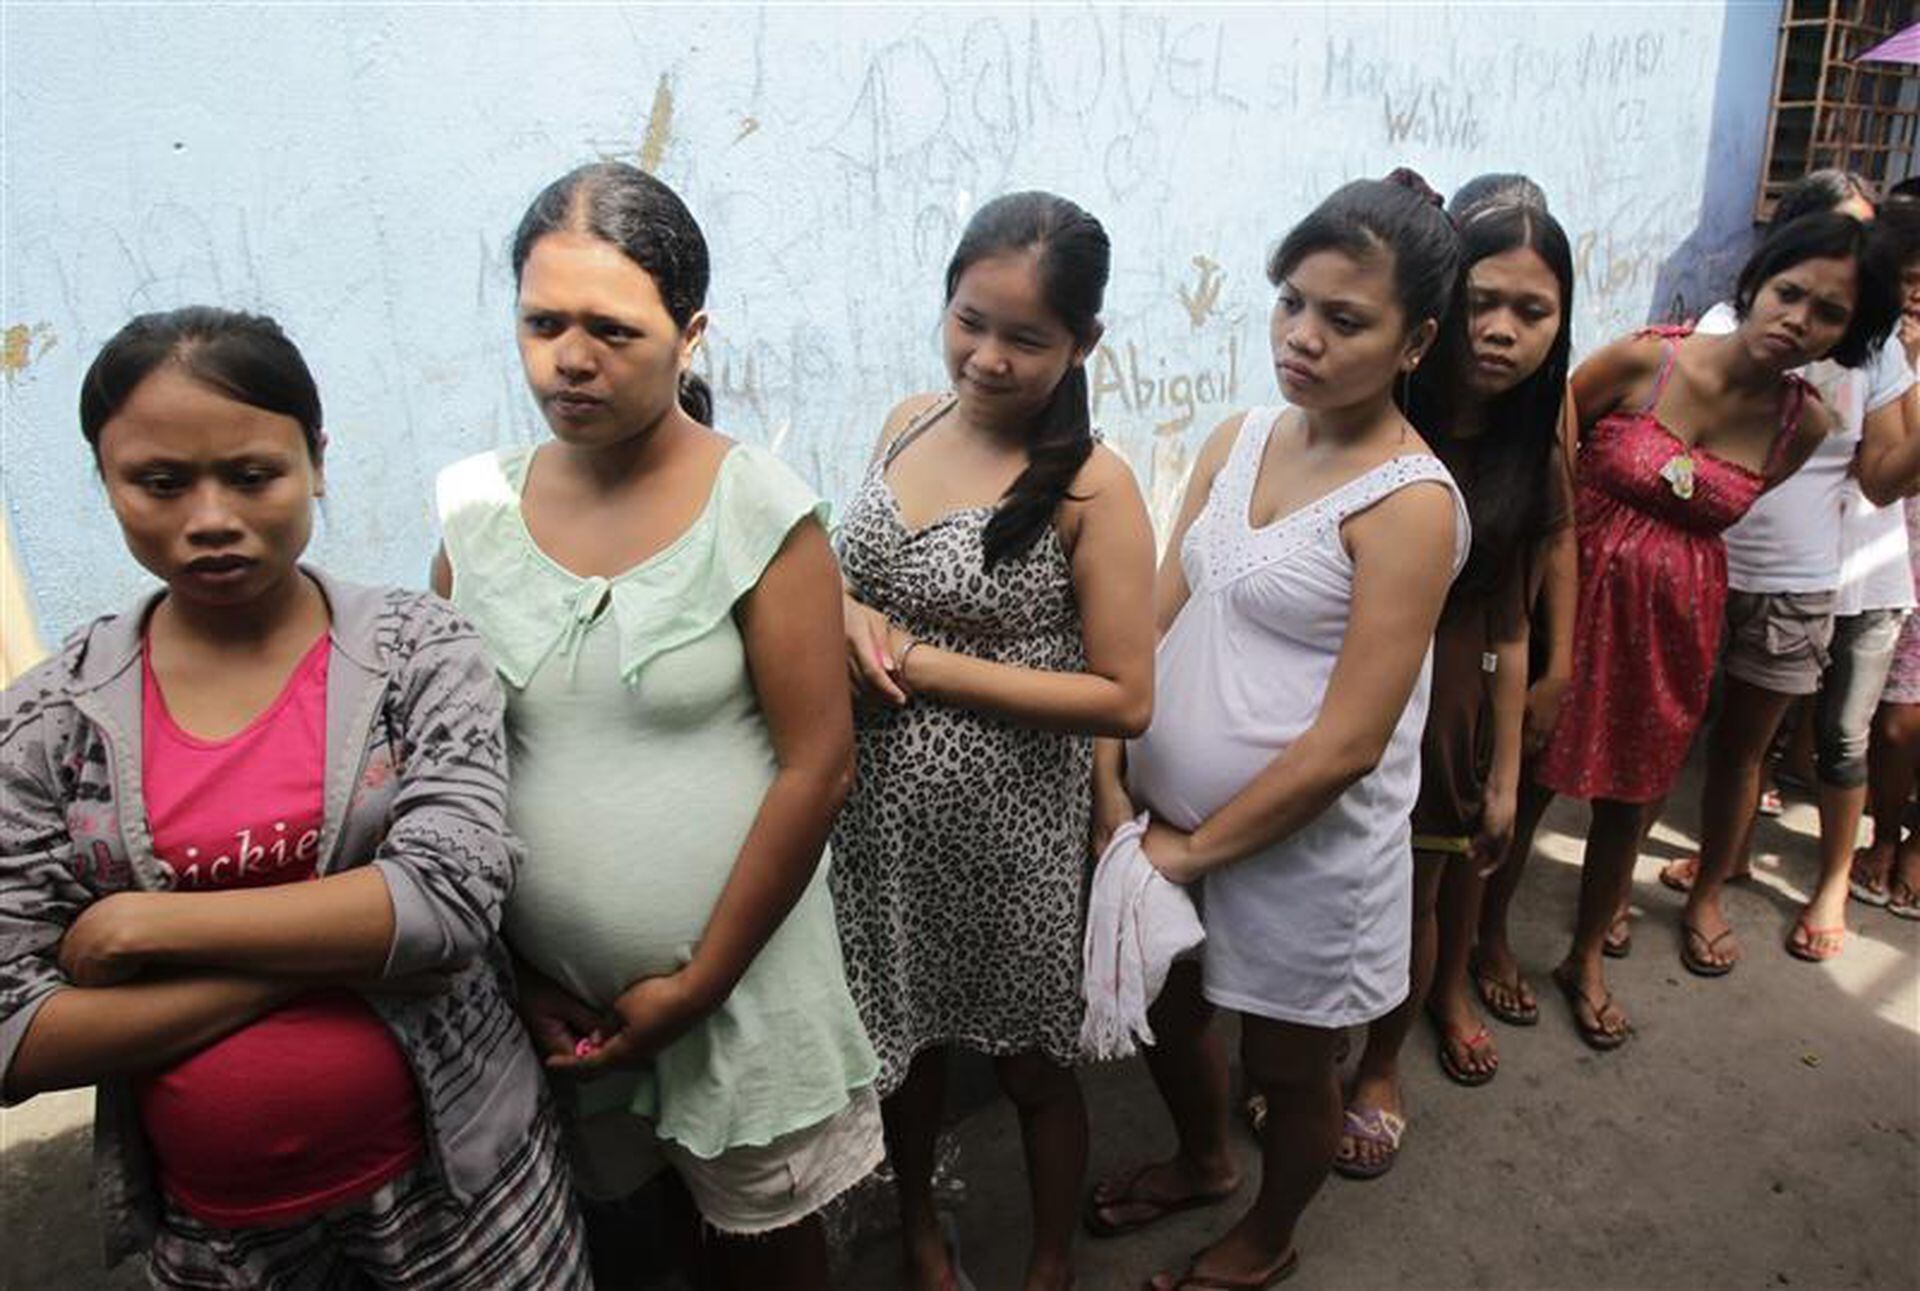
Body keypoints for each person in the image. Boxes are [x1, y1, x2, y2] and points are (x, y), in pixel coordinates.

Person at [0, 308, 588, 1288]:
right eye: (160, 482)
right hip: (220, 1237)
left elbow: (448, 902)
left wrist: (149, 927)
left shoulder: (416, 652)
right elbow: (17, 1033)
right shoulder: (48, 726)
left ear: (316, 461)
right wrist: (339, 952)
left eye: (252, 475)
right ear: (104, 479)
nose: (210, 517)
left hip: (465, 1195)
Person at [433, 162, 879, 1290]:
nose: (570, 358)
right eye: (543, 323)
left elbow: (818, 768)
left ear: (690, 336)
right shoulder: (477, 513)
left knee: (769, 1246)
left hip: (739, 997)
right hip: (560, 1012)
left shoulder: (758, 509)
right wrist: (512, 970)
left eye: (612, 329)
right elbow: (452, 767)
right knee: (651, 1237)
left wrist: (699, 984)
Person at [1084, 171, 1468, 1289]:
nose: (1302, 336)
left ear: (1415, 341)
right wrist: (1112, 778)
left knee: (1294, 1064)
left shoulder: (1411, 504)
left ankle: (1269, 1235)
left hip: (1307, 855)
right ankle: (1203, 1160)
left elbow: (1350, 744)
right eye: (1291, 301)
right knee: (1172, 1008)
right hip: (1162, 821)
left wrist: (1192, 851)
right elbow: (1153, 622)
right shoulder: (1240, 438)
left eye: (1344, 319)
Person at [829, 191, 1155, 1291]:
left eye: (1028, 338)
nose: (988, 358)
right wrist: (843, 610)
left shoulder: (1093, 486)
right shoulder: (907, 422)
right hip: (877, 822)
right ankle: (923, 1232)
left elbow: (1126, 696)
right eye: (971, 321)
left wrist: (922, 664)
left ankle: (1050, 1262)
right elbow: (847, 576)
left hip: (1012, 837)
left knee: (1032, 1064)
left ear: (1082, 344)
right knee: (906, 1051)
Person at [1535, 209, 1895, 1047]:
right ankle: (1483, 949)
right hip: (1573, 599)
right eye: (1789, 293)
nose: (1798, 320)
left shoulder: (1805, 424)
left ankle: (1584, 959)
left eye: (1829, 313)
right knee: (1528, 783)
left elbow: (1722, 507)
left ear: (1848, 334)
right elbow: (1551, 445)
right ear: (1756, 284)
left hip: (1675, 622)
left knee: (1631, 797)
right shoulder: (1644, 358)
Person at [1333, 197, 1576, 1177]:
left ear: (1560, 326)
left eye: (1532, 310)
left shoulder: (1532, 457)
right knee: (1318, 885)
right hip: (1339, 686)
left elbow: (1511, 626)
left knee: (1416, 901)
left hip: (1447, 712)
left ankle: (1379, 1065)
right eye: (1482, 302)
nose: (1502, 330)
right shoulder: (1372, 417)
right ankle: (1300, 1054)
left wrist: (1506, 776)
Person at [1661, 176, 1915, 970]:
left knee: (1747, 750)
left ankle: (1710, 890)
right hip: (1703, 562)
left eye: (1836, 298)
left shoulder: (1871, 355)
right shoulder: (1726, 327)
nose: (1809, 308)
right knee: (1666, 737)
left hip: (1797, 581)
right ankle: (1609, 898)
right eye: (1799, 282)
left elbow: (1882, 479)